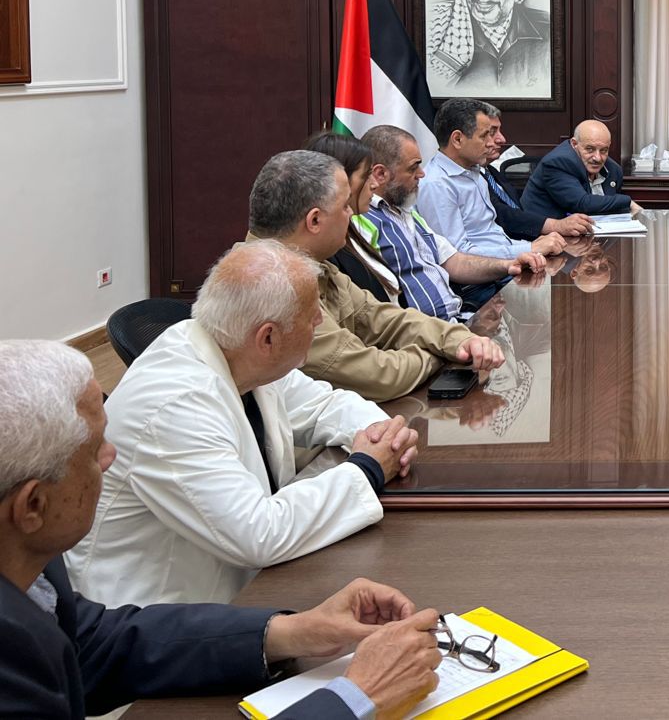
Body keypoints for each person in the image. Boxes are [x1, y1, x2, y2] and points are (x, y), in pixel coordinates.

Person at [0, 339, 441, 719]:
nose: (112, 457)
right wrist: (355, 699)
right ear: (33, 505)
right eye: (95, 449)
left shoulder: (30, 566)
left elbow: (95, 643)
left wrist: (291, 631)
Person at [65, 240, 419, 607]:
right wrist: (367, 467)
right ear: (268, 337)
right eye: (312, 315)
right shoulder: (174, 404)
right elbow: (258, 533)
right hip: (154, 615)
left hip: (238, 585)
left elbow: (326, 404)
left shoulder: (239, 350)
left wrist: (382, 436)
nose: (319, 322)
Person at [247, 150, 504, 401]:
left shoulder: (310, 264)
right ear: (314, 221)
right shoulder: (274, 286)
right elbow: (377, 375)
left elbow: (382, 318)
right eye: (344, 206)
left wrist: (457, 339)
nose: (351, 214)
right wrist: (443, 353)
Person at [362, 124, 562, 321]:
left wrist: (510, 264)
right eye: (413, 167)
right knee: (554, 311)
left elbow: (455, 261)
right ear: (380, 174)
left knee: (554, 305)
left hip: (459, 315)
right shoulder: (365, 223)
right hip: (436, 327)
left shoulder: (405, 212)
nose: (421, 174)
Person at [418, 99, 566, 276]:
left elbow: (492, 236)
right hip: (481, 282)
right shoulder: (437, 185)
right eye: (484, 136)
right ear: (457, 139)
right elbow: (456, 257)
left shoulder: (475, 172)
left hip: (505, 265)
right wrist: (530, 248)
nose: (491, 143)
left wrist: (530, 248)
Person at [305, 131, 400, 305]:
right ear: (340, 179)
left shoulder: (352, 231)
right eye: (365, 175)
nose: (375, 184)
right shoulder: (327, 247)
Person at [477, 102, 595, 241]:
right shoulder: (468, 177)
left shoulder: (490, 171)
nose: (502, 139)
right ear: (459, 139)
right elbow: (501, 214)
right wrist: (555, 226)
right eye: (490, 133)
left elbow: (516, 212)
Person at [520, 118, 641, 219]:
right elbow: (582, 204)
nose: (598, 158)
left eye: (604, 150)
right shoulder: (557, 163)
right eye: (590, 149)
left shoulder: (613, 170)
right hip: (543, 235)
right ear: (574, 144)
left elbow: (609, 209)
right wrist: (627, 202)